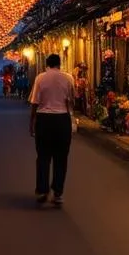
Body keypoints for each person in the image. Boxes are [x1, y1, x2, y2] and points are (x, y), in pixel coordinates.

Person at [28, 53, 75, 206]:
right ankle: (58, 193)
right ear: (59, 64)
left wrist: (32, 122)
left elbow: (35, 102)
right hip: (62, 119)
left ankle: (43, 190)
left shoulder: (40, 78)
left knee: (43, 156)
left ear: (47, 65)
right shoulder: (68, 78)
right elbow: (71, 100)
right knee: (61, 158)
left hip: (44, 119)